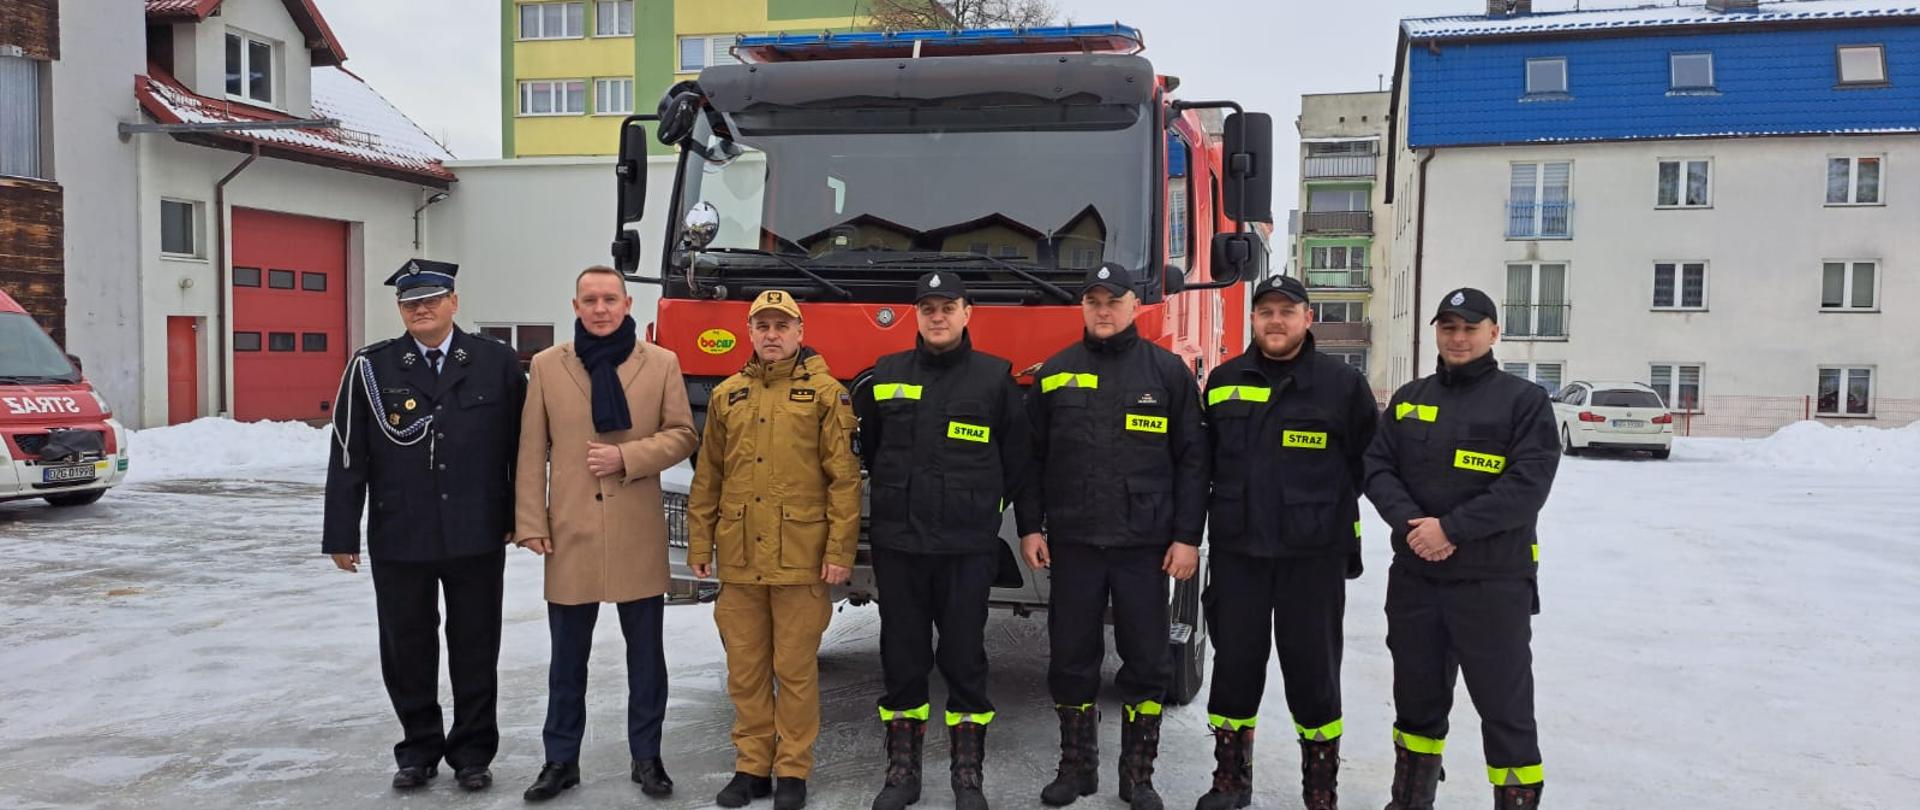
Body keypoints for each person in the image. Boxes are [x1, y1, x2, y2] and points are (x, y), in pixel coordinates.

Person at [322, 259, 526, 792]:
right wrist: (341, 533)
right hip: (400, 534)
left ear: (454, 302)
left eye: (432, 299)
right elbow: (348, 454)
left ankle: (473, 752)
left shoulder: (494, 362)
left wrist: (517, 517)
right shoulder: (373, 367)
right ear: (400, 309)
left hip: (476, 532)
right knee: (407, 646)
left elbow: (520, 449)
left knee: (476, 645)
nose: (421, 309)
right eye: (411, 302)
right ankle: (418, 748)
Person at [1016, 263, 1208, 810]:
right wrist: (1031, 525)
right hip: (1074, 544)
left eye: (1114, 301)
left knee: (1147, 662)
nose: (1104, 311)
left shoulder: (1167, 373)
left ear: (1134, 306)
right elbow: (1030, 460)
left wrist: (1187, 537)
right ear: (1083, 308)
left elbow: (1193, 463)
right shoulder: (1054, 374)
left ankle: (1137, 776)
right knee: (1070, 659)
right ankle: (1075, 769)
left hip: (1144, 548)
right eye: (1094, 301)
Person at [1363, 287, 1561, 810]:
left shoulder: (1524, 402)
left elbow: (1526, 487)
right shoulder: (1411, 398)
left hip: (1491, 585)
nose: (1458, 337)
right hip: (1416, 583)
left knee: (1506, 710)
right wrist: (1412, 527)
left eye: (1470, 327)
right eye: (1448, 326)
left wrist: (1450, 530)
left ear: (1494, 333)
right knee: (1416, 703)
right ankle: (1409, 801)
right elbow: (1377, 467)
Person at [1193, 274, 1378, 810]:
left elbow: (1373, 463)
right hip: (1239, 554)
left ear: (1307, 319)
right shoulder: (1224, 381)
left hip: (1312, 559)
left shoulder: (1341, 386)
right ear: (1253, 320)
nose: (1276, 321)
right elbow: (1202, 463)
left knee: (1314, 672)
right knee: (1234, 668)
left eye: (1287, 312)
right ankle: (1230, 778)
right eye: (1266, 312)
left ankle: (1320, 788)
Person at [514, 266, 698, 802]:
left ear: (627, 303)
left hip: (638, 532)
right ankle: (560, 760)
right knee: (566, 660)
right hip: (569, 533)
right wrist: (531, 522)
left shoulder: (660, 362)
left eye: (609, 299)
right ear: (575, 306)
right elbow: (531, 450)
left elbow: (683, 434)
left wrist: (627, 456)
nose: (600, 308)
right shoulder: (548, 366)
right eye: (590, 300)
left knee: (646, 659)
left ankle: (648, 758)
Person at [855, 272, 1029, 810]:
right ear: (916, 315)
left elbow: (1016, 461)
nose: (937, 316)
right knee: (902, 659)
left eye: (947, 306)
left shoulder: (995, 379)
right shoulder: (885, 376)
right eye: (927, 307)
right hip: (901, 547)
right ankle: (902, 771)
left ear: (967, 312)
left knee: (964, 658)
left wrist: (985, 513)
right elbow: (874, 448)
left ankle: (966, 770)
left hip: (965, 549)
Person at [686, 289, 860, 810]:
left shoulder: (828, 395)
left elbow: (844, 481)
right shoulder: (727, 395)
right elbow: (708, 476)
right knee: (745, 670)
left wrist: (839, 550)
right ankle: (751, 766)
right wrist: (700, 540)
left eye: (782, 326)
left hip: (800, 557)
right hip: (739, 558)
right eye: (762, 325)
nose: (772, 335)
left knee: (795, 669)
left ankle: (792, 771)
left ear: (800, 333)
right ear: (750, 333)